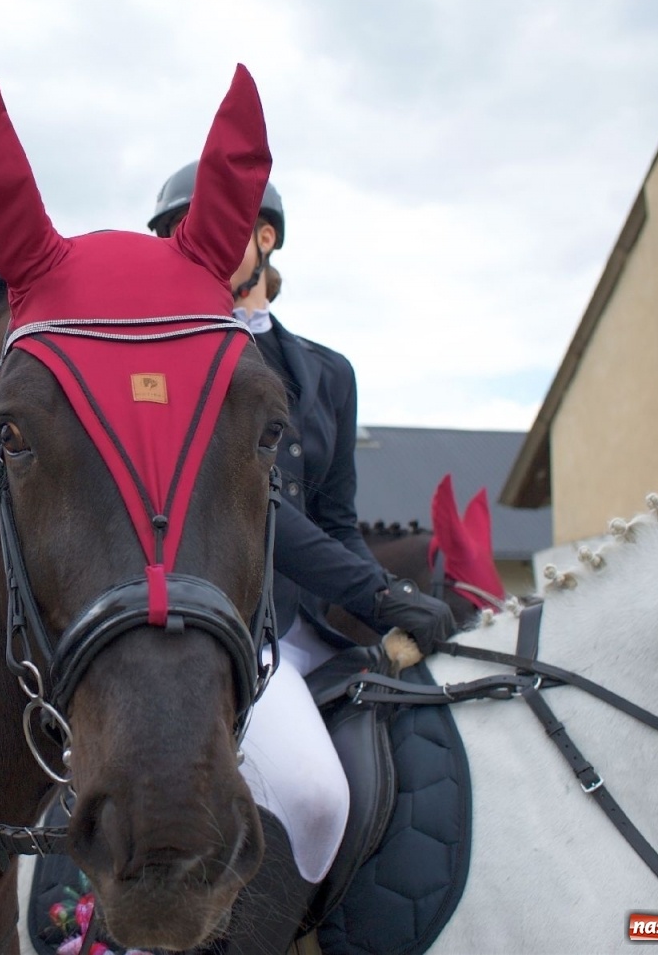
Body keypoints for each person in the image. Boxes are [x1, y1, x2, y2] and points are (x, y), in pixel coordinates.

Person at [150, 161, 455, 904]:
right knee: (317, 797)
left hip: (316, 627)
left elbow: (336, 519)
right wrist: (383, 592)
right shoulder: (174, 364)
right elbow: (255, 512)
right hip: (228, 627)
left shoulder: (329, 372)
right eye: (178, 235)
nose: (194, 245)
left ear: (265, 237)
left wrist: (396, 602)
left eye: (214, 229)